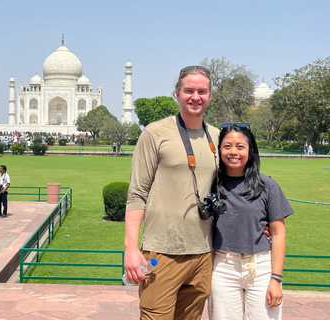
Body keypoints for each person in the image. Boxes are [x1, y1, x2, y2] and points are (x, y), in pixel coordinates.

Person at [124, 66, 220, 319]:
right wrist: (131, 249)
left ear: (210, 95)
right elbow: (137, 194)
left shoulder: (218, 138)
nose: (195, 97)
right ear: (177, 93)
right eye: (189, 90)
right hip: (161, 253)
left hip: (203, 252)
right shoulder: (155, 133)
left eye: (202, 91)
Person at [208, 124, 293, 320]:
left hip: (261, 267)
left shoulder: (267, 186)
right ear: (219, 149)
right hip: (223, 267)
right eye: (227, 146)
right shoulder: (211, 185)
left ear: (251, 150)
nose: (233, 152)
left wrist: (276, 279)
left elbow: (279, 234)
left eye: (240, 146)